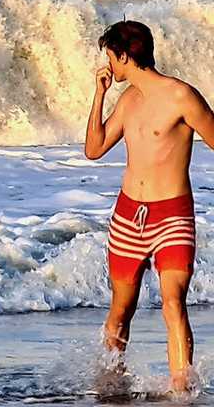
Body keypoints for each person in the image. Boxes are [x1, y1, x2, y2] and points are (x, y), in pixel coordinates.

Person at [85, 20, 214, 394]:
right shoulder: (128, 99)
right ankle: (110, 388)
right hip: (128, 217)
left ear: (125, 55)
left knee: (173, 303)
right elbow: (93, 150)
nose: (108, 64)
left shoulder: (181, 96)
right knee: (120, 310)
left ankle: (181, 392)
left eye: (111, 56)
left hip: (171, 214)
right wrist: (100, 95)